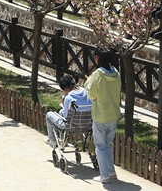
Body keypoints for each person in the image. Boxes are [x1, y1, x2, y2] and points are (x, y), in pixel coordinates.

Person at [84, 47, 122, 183]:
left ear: (98, 58)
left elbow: (91, 94)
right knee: (108, 144)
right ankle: (111, 172)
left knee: (100, 146)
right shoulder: (116, 73)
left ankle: (104, 175)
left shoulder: (97, 74)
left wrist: (88, 82)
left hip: (100, 115)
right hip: (113, 114)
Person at [45, 75, 91, 145]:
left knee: (49, 115)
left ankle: (53, 141)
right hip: (87, 125)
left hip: (72, 126)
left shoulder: (69, 98)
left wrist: (64, 103)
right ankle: (62, 139)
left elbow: (66, 117)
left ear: (66, 88)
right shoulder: (86, 92)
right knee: (61, 112)